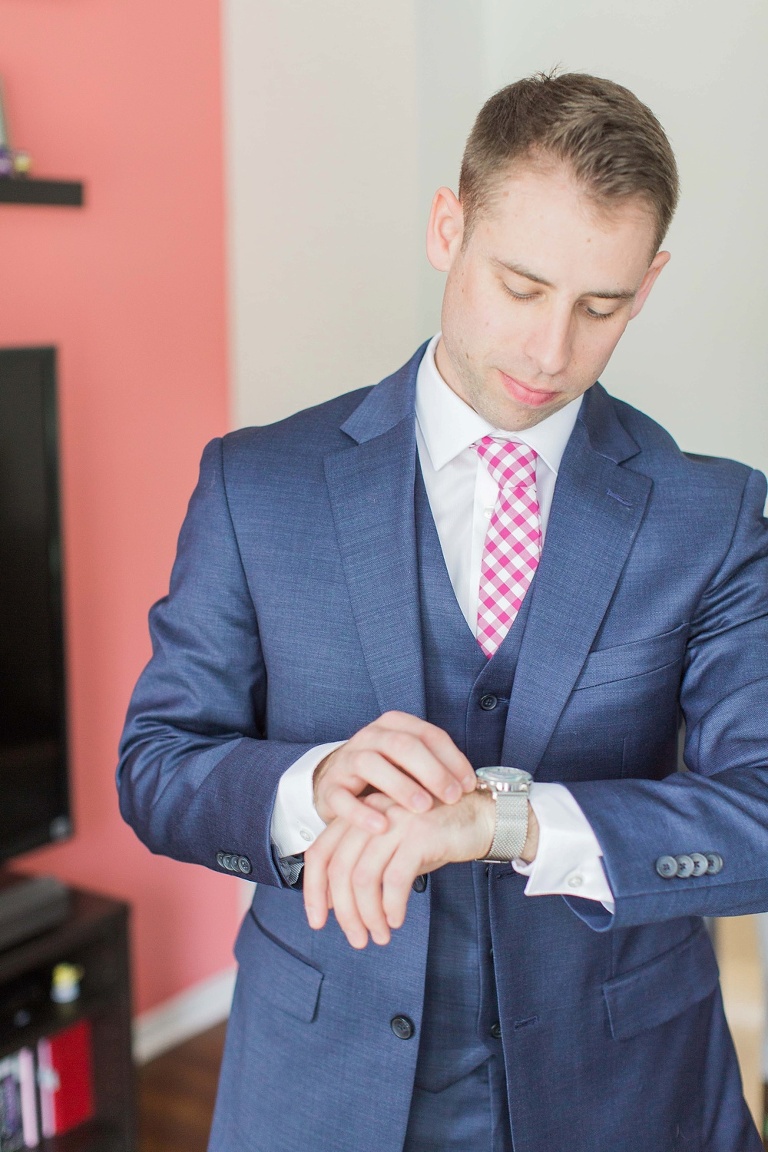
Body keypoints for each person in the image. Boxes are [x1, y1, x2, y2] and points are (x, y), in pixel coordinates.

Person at [117, 71, 768, 1151]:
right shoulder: (255, 485)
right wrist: (310, 787)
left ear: (648, 284)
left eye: (600, 307)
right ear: (447, 226)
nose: (552, 352)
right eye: (521, 286)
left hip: (627, 1093)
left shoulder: (714, 513)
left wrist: (506, 821)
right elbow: (156, 764)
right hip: (320, 1088)